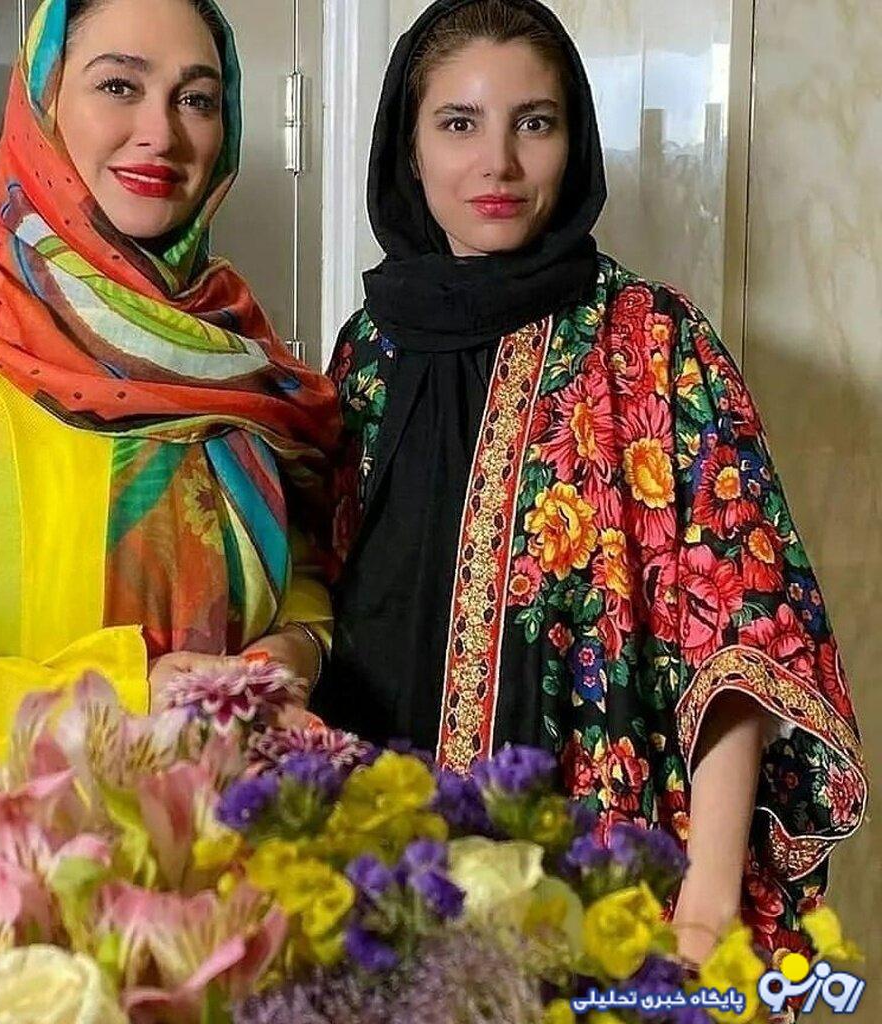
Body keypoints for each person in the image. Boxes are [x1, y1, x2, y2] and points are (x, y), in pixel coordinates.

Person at [314, 0, 866, 974]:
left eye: (534, 122)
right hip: (374, 878)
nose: (498, 163)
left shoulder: (651, 343)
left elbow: (742, 637)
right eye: (458, 123)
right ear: (409, 149)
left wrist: (705, 899)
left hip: (593, 883)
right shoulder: (367, 352)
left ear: (574, 143)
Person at [0, 0, 337, 791]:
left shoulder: (231, 348)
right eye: (119, 86)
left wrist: (293, 651)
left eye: (196, 99)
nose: (161, 133)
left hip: (237, 839)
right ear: (43, 102)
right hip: (18, 853)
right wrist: (124, 702)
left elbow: (298, 571)